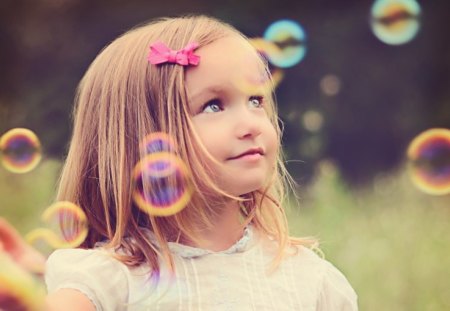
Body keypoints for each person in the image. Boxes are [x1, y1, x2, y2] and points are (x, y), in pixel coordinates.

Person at [0, 15, 358, 310]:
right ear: (146, 143)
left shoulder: (310, 281)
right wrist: (24, 290)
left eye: (255, 100)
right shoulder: (107, 280)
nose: (251, 124)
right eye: (214, 105)